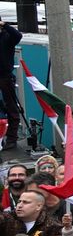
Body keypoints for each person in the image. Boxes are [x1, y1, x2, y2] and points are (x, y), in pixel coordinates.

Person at [0, 20, 22, 149]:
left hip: (5, 76)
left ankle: (12, 138)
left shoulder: (7, 37)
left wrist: (4, 25)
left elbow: (18, 35)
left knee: (11, 107)